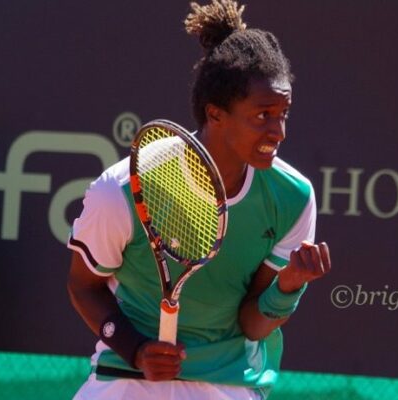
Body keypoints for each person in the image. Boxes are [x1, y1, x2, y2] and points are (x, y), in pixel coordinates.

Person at [66, 0, 331, 398]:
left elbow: (252, 324)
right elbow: (83, 285)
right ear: (215, 114)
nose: (279, 131)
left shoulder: (293, 197)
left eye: (284, 113)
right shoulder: (123, 188)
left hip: (228, 382)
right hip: (128, 377)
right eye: (263, 115)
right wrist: (136, 350)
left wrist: (288, 287)